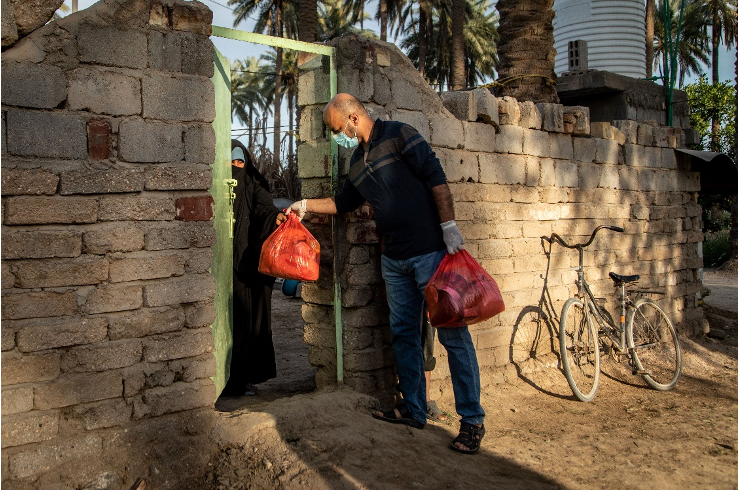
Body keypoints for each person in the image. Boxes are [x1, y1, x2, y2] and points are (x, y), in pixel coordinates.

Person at [286, 93, 485, 455]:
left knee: (452, 334)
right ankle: (414, 408)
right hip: (393, 261)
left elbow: (435, 176)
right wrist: (303, 205)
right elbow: (343, 203)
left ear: (353, 119)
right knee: (404, 335)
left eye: (336, 130)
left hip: (429, 254)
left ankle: (472, 420)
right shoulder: (357, 162)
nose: (337, 137)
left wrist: (449, 225)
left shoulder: (399, 134)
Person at [221, 140, 286, 397]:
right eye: (230, 162)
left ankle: (242, 378)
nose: (235, 166)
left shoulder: (253, 184)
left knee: (246, 323)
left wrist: (275, 217)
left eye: (239, 162)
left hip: (247, 269)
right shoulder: (216, 184)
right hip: (220, 266)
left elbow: (264, 208)